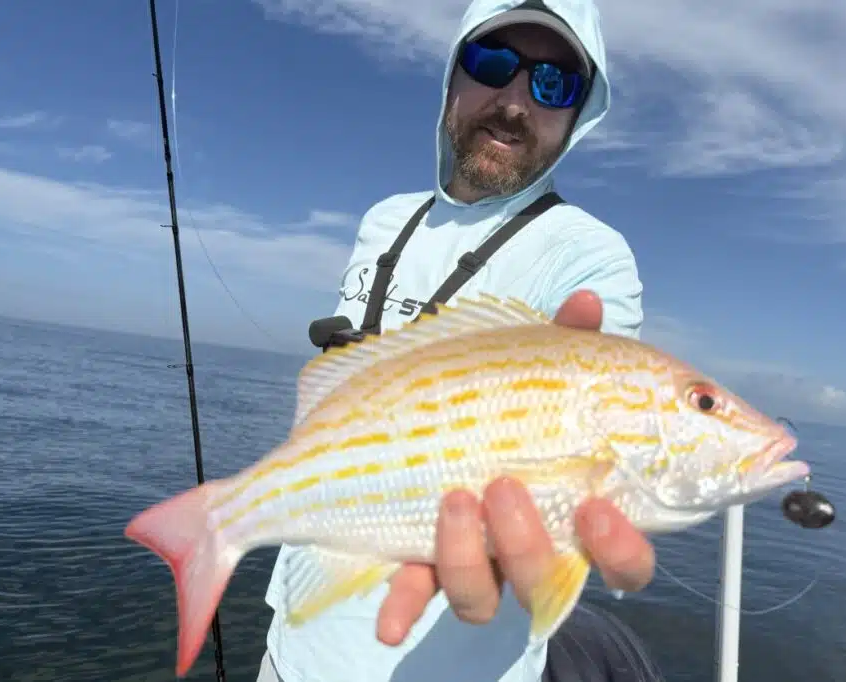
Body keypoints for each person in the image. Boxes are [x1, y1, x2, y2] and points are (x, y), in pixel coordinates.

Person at [258, 1, 658, 680]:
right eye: (494, 61)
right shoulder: (386, 220)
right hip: (292, 644)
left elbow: (597, 446)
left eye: (554, 82)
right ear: (452, 73)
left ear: (578, 114)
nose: (515, 101)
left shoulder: (590, 257)